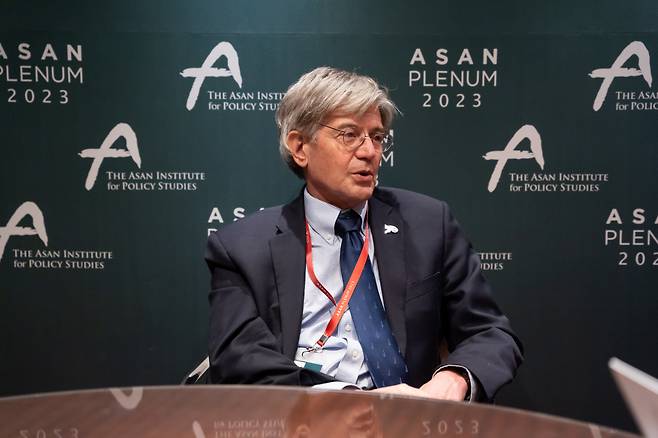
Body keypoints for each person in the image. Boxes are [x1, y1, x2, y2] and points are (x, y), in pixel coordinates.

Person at [206, 67, 523, 402]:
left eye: (376, 136)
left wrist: (454, 379)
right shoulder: (241, 247)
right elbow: (239, 358)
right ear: (300, 147)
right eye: (349, 135)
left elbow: (491, 332)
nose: (370, 152)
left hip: (410, 423)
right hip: (303, 419)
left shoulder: (429, 224)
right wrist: (350, 400)